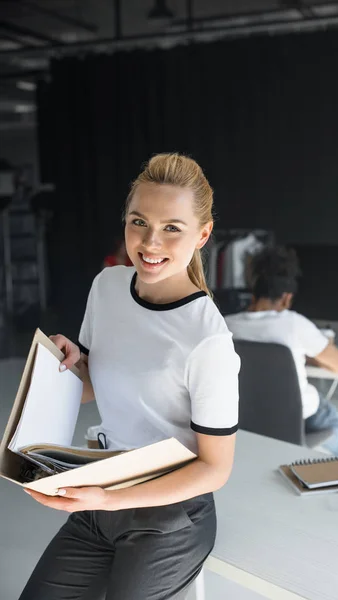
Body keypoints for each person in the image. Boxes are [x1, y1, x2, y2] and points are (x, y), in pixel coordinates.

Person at [20, 153, 240, 600]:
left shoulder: (207, 339)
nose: (150, 242)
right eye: (139, 222)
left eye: (171, 228)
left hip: (169, 515)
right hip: (101, 491)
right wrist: (65, 363)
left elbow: (216, 469)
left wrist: (108, 498)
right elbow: (91, 385)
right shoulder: (107, 286)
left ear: (203, 234)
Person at [225, 245, 338, 457]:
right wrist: (316, 356)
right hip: (300, 419)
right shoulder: (295, 325)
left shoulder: (226, 326)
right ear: (287, 297)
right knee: (332, 419)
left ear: (254, 292)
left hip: (245, 419)